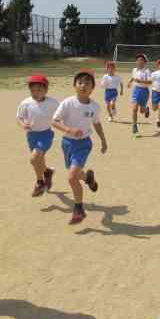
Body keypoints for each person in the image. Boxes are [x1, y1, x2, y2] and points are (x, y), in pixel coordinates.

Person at [51, 69, 108, 225]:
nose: (83, 85)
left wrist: (103, 141)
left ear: (92, 88)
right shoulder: (67, 103)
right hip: (67, 143)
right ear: (74, 85)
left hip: (84, 144)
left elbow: (97, 123)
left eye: (87, 83)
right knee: (76, 174)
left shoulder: (94, 107)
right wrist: (68, 130)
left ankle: (79, 210)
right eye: (80, 82)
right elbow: (54, 121)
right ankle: (88, 178)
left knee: (71, 177)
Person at [16, 74, 59, 197]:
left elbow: (62, 115)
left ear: (46, 90)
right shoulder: (26, 103)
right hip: (31, 135)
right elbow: (19, 117)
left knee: (33, 159)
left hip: (46, 134)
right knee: (38, 161)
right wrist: (23, 124)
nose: (36, 93)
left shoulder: (53, 103)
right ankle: (47, 172)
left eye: (39, 90)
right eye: (33, 90)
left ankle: (39, 183)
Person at [127, 53, 153, 135]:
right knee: (134, 109)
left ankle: (146, 110)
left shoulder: (147, 71)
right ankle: (134, 125)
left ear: (145, 62)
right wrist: (130, 82)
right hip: (136, 90)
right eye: (138, 60)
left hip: (144, 91)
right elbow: (133, 77)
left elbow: (150, 82)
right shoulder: (134, 70)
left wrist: (140, 81)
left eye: (141, 60)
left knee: (141, 111)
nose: (139, 61)